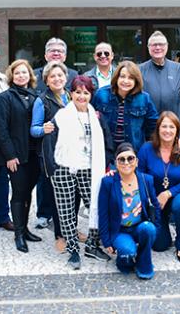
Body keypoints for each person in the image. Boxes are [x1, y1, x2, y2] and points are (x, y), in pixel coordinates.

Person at [42, 76, 114, 269]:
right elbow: (49, 143)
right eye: (77, 92)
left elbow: (107, 143)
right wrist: (53, 170)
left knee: (96, 207)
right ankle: (73, 249)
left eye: (86, 92)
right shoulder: (61, 116)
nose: (81, 96)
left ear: (91, 95)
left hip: (91, 168)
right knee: (66, 210)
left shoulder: (97, 117)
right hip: (64, 168)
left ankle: (91, 245)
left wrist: (105, 165)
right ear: (70, 93)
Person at [0, 59, 43, 253]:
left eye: (24, 72)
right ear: (11, 76)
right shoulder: (4, 98)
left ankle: (25, 228)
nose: (21, 76)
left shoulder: (35, 96)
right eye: (17, 73)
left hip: (33, 154)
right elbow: (1, 129)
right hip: (16, 156)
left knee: (28, 192)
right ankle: (19, 235)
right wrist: (9, 155)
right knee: (18, 193)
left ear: (30, 75)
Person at [137, 111, 180, 263]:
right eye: (164, 126)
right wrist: (151, 199)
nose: (167, 130)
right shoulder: (146, 149)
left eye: (172, 127)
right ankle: (163, 229)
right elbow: (140, 176)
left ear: (177, 130)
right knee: (159, 245)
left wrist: (168, 193)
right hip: (155, 201)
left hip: (177, 196)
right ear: (158, 128)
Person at [98, 142, 161, 280]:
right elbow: (102, 214)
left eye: (130, 158)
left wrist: (156, 228)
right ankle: (126, 258)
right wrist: (106, 241)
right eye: (122, 159)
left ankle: (144, 264)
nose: (126, 162)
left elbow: (155, 206)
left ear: (137, 161)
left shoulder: (146, 180)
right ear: (116, 162)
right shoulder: (108, 182)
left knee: (148, 229)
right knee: (127, 253)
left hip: (139, 226)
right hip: (119, 230)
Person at [31, 61, 70, 249]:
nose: (57, 79)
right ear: (46, 80)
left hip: (70, 153)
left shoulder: (70, 96)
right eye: (52, 76)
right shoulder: (42, 100)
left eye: (60, 75)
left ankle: (70, 229)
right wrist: (43, 129)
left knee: (72, 194)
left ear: (65, 77)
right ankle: (60, 235)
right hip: (51, 154)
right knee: (57, 194)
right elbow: (33, 130)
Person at [92, 61, 158, 153]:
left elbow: (153, 126)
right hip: (105, 152)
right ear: (116, 77)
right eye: (122, 76)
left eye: (131, 78)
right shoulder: (101, 94)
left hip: (133, 153)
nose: (126, 81)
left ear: (136, 81)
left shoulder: (144, 98)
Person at [139, 31, 180, 125]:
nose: (158, 47)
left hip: (174, 127)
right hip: (148, 128)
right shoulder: (140, 70)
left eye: (161, 44)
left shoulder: (179, 69)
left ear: (167, 46)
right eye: (154, 45)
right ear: (148, 47)